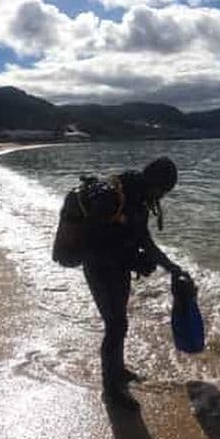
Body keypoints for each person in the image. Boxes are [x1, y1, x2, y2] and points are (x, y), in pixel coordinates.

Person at [82, 156, 184, 408]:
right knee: (115, 325)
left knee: (120, 323)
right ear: (153, 182)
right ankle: (111, 390)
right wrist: (132, 260)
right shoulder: (113, 196)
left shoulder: (138, 198)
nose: (161, 196)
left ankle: (118, 371)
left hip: (117, 268)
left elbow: (144, 240)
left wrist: (172, 267)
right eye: (162, 190)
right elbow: (94, 243)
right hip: (99, 268)